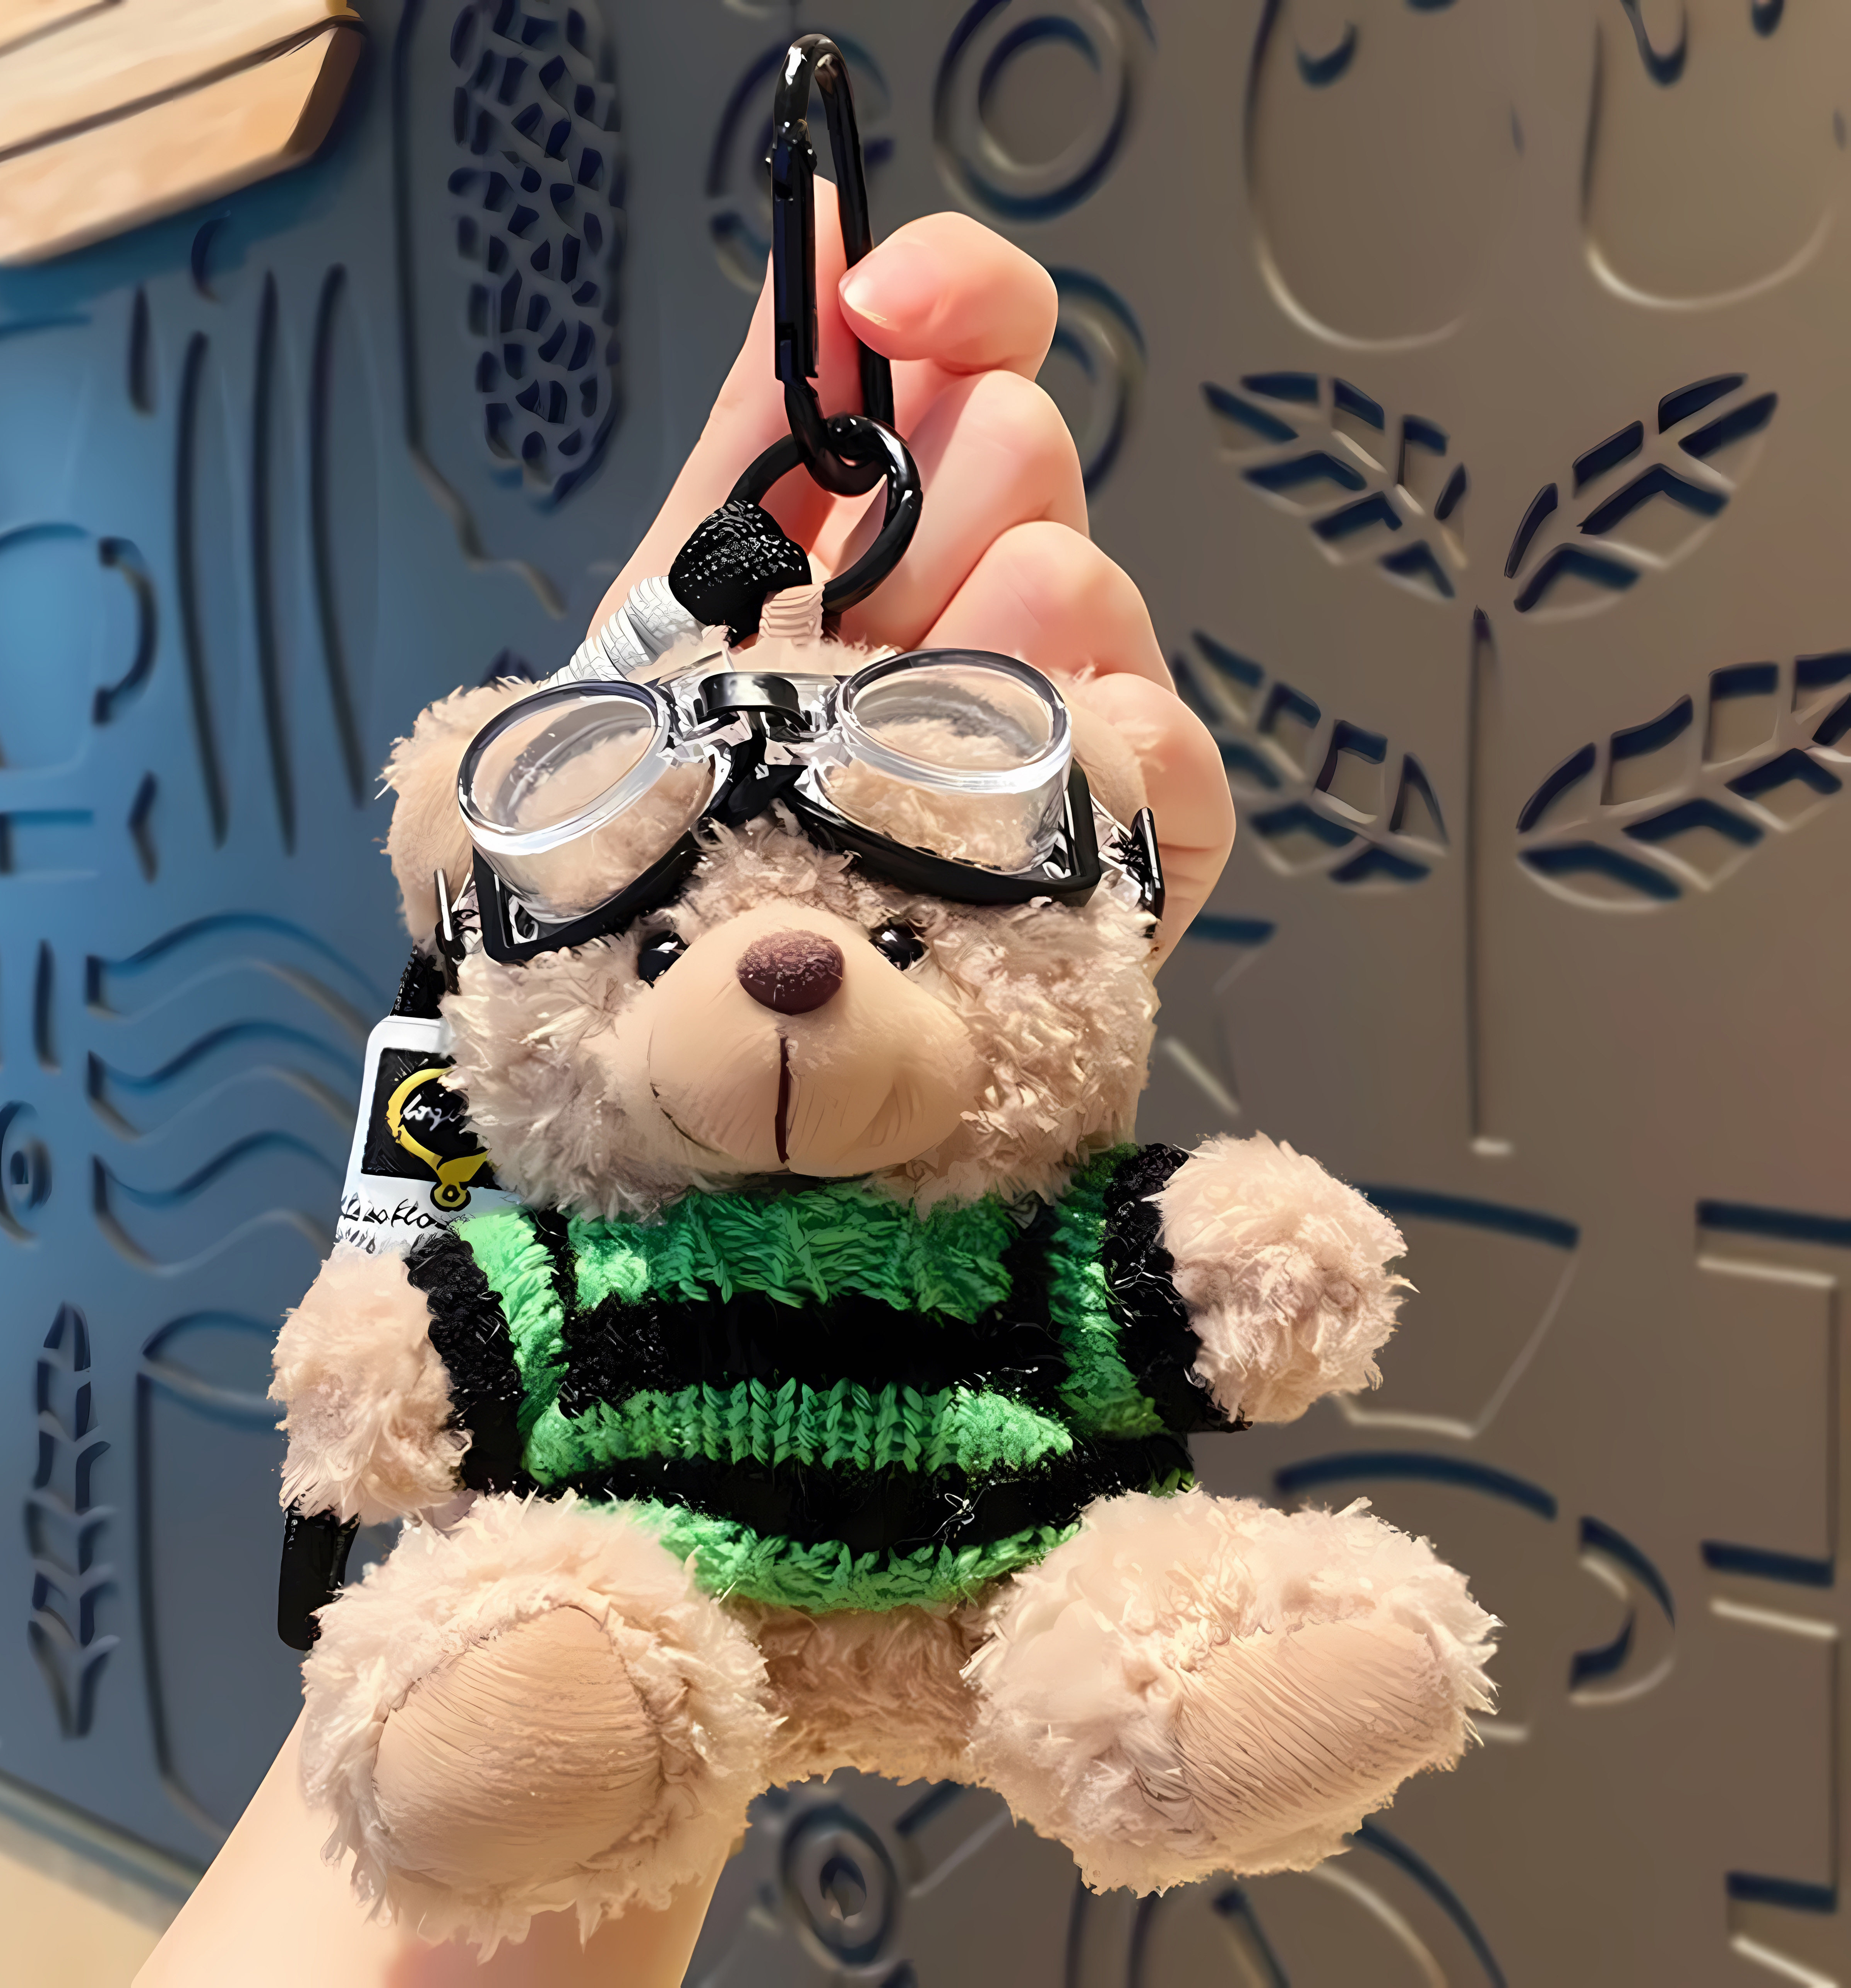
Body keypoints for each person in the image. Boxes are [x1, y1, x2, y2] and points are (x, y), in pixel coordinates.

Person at [136, 203, 1232, 1988]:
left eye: (899, 931)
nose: (794, 978)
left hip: (1003, 1579)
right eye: (655, 949)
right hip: (651, 1568)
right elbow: (413, 1354)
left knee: (1156, 1633)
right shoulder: (573, 1219)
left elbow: (1202, 1277)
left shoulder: (1012, 1210)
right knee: (542, 1676)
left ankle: (1222, 1680)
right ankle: (558, 1694)